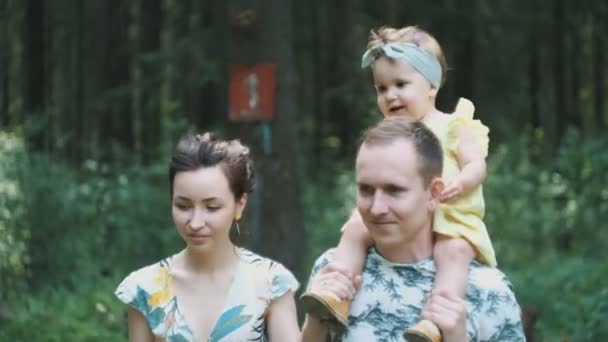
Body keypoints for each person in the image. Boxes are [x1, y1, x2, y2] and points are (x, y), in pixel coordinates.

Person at [301, 25, 496, 341]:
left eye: (401, 84)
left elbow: (477, 164)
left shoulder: (453, 124)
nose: (390, 95)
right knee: (354, 230)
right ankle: (337, 290)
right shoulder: (387, 134)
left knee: (453, 255)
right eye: (381, 88)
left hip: (451, 216)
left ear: (431, 86)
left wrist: (462, 180)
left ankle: (436, 320)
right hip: (399, 224)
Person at [301, 117, 525, 342]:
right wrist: (315, 324)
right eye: (366, 190)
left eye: (394, 190)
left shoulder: (488, 290)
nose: (377, 208)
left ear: (434, 193)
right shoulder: (333, 272)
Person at [115, 132, 301, 341]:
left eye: (212, 207)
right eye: (183, 206)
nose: (195, 223)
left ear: (240, 204)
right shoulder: (145, 288)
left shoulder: (271, 283)